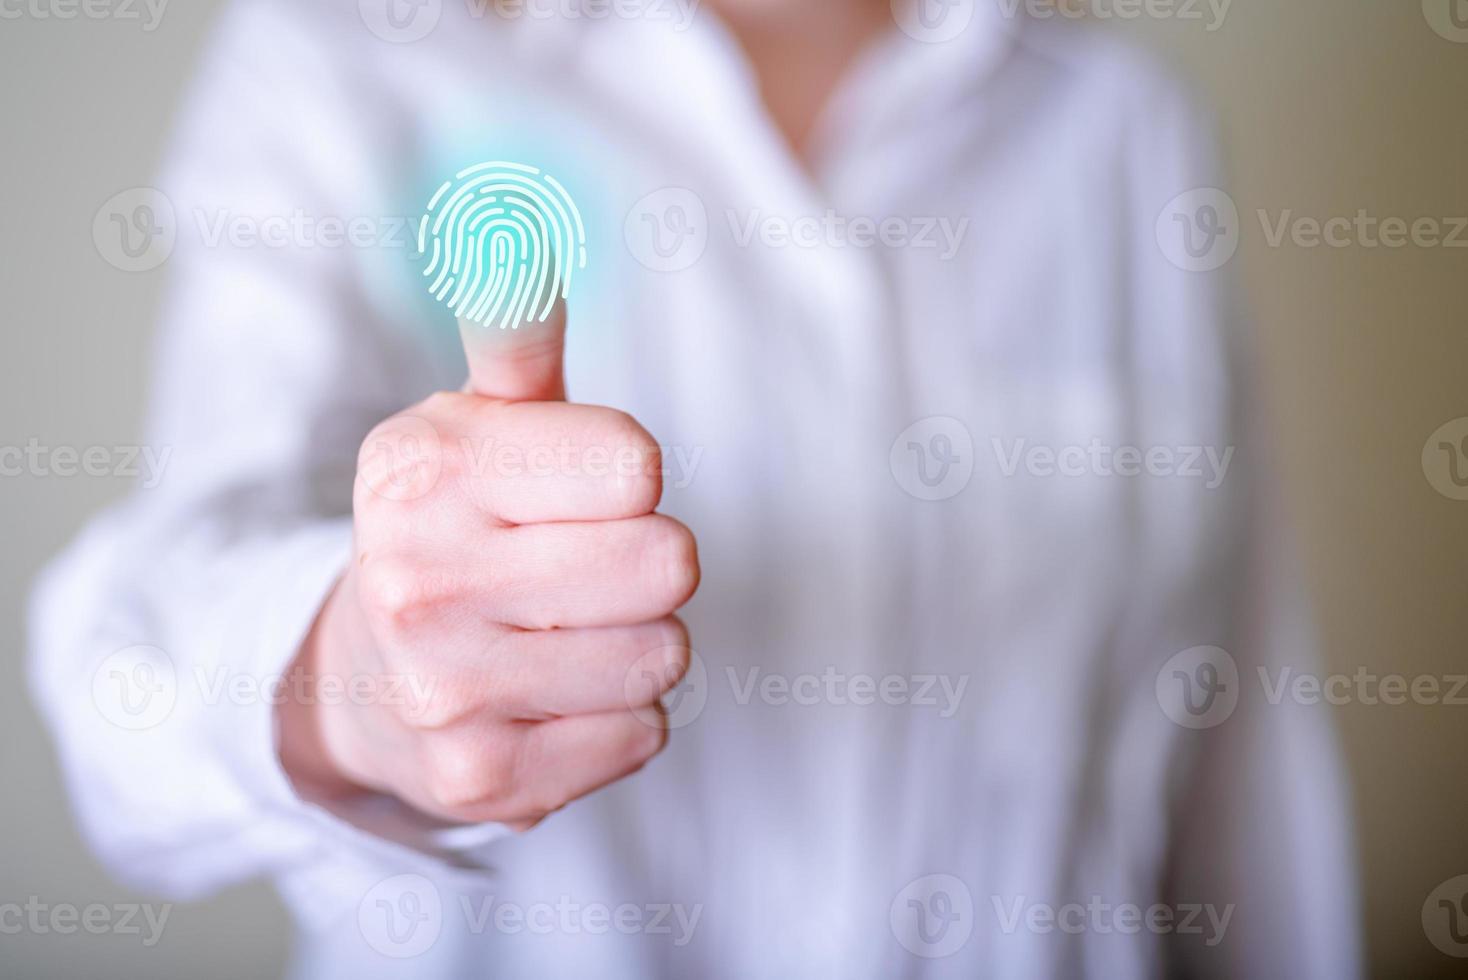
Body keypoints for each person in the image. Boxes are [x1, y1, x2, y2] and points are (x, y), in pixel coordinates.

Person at [30, 0, 1362, 976]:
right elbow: (136, 667)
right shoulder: (351, 57)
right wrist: (353, 675)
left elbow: (1244, 771)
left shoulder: (1123, 131)